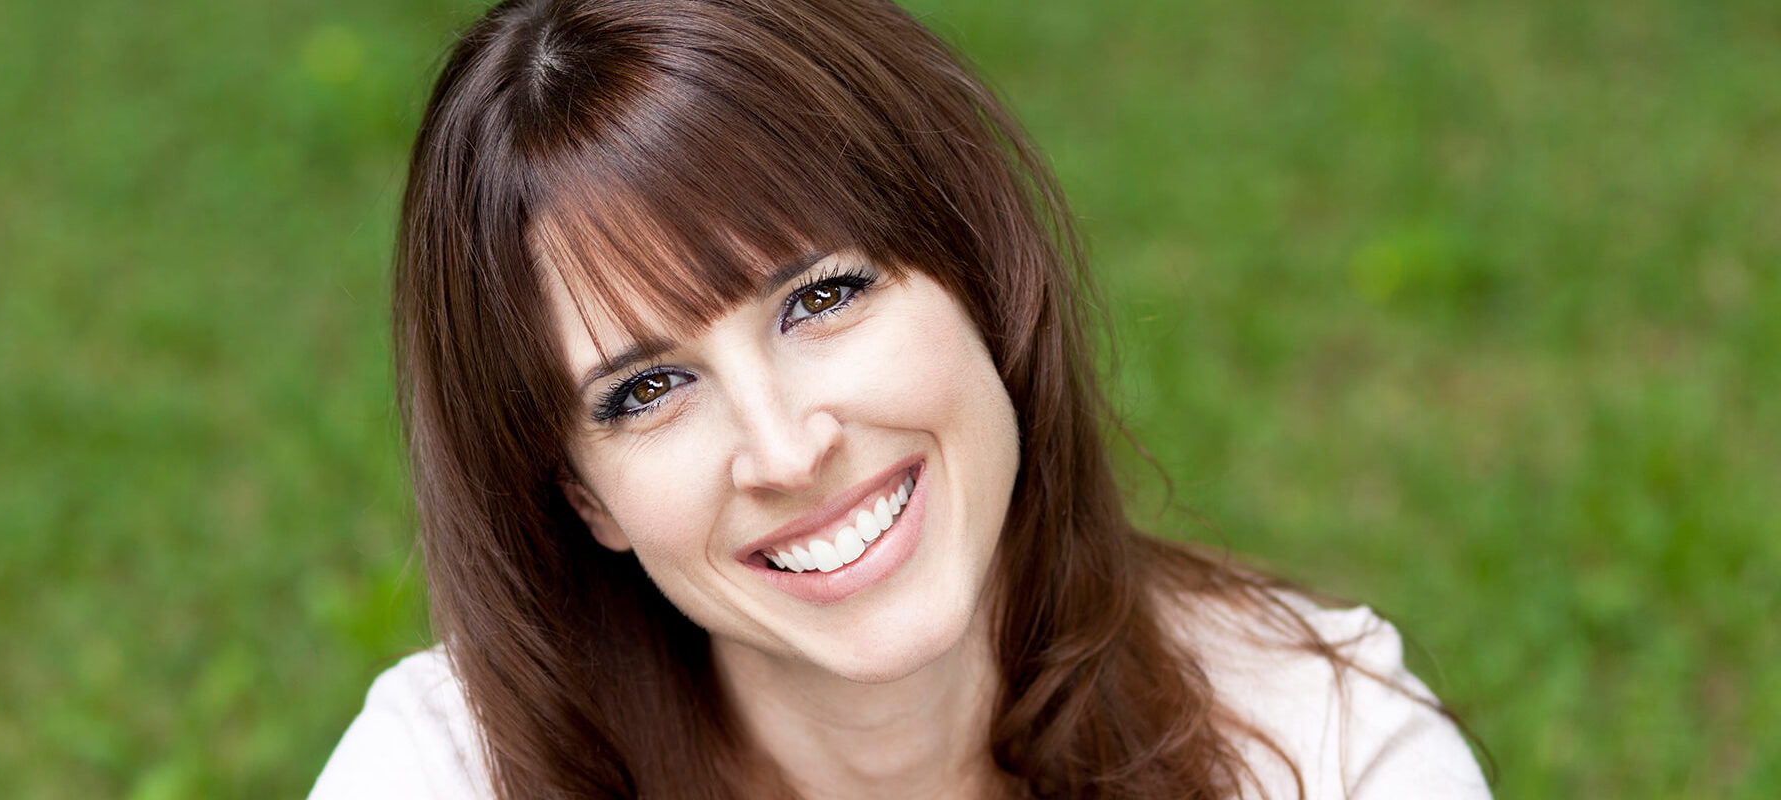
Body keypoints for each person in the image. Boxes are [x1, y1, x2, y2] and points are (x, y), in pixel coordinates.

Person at [313, 0, 1491, 797]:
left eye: (820, 298)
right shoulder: (447, 772)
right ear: (582, 492)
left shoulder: (1319, 746)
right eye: (650, 387)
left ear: (979, 278)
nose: (783, 448)